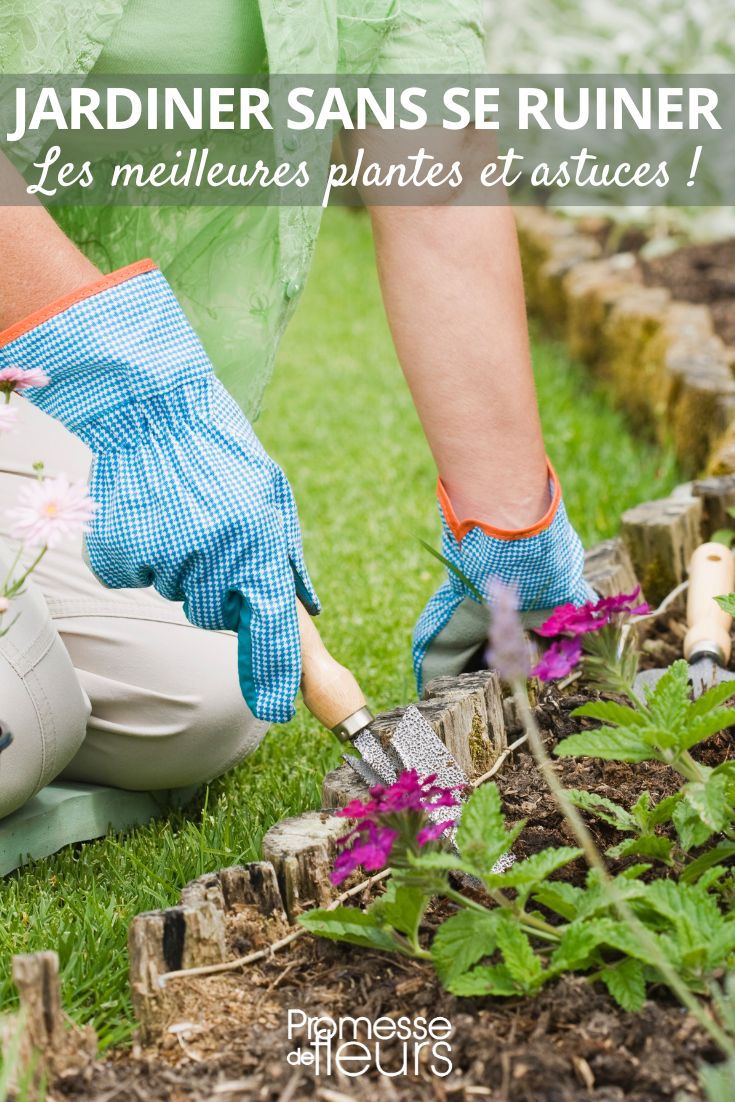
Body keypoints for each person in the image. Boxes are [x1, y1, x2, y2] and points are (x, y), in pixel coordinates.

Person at [0, 0, 592, 820]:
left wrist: (510, 531)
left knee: (200, 707)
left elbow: (435, 153)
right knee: (17, 726)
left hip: (32, 394)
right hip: (65, 354)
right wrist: (131, 389)